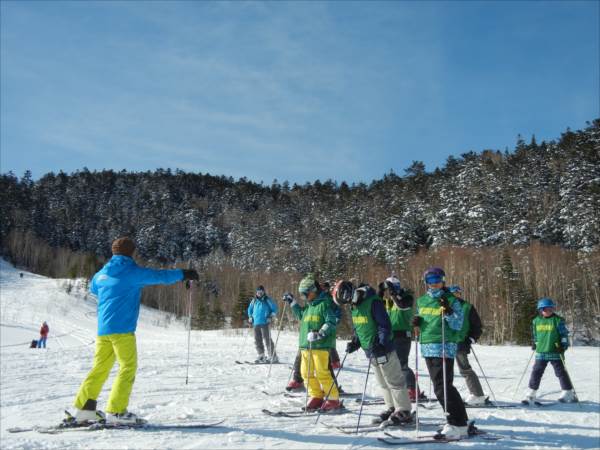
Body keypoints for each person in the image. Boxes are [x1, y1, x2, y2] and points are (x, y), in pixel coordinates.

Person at [71, 237, 199, 425]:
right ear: (131, 253)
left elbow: (95, 289)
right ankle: (116, 411)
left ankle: (84, 409)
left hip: (103, 330)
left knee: (100, 368)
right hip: (122, 330)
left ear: (113, 252)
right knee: (127, 367)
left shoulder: (101, 274)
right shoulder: (132, 272)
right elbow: (159, 276)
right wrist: (184, 274)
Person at [343, 282, 413, 426]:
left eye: (348, 299)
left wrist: (381, 343)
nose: (348, 302)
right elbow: (360, 327)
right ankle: (392, 407)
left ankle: (404, 410)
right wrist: (356, 342)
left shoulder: (373, 302)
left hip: (383, 348)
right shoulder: (355, 306)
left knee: (394, 380)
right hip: (370, 350)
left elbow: (384, 325)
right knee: (383, 382)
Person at [412, 267, 468, 439]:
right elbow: (423, 319)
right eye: (430, 281)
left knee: (442, 387)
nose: (434, 284)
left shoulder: (451, 299)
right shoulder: (422, 301)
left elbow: (458, 325)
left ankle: (457, 423)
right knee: (442, 386)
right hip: (427, 345)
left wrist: (449, 313)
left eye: (437, 280)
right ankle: (459, 421)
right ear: (426, 283)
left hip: (444, 345)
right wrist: (417, 322)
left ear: (443, 280)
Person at [283, 274, 341, 411]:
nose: (304, 297)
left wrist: (320, 333)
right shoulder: (309, 306)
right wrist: (293, 303)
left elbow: (331, 321)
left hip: (320, 346)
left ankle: (333, 399)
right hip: (305, 345)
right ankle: (316, 396)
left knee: (322, 373)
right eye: (302, 295)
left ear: (313, 291)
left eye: (305, 294)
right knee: (305, 373)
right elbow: (301, 316)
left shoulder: (325, 303)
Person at [523, 298, 577, 404]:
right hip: (541, 352)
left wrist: (563, 345)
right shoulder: (536, 321)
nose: (549, 311)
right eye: (546, 309)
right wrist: (535, 342)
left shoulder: (558, 320)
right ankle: (531, 391)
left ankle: (568, 391)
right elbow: (535, 335)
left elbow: (564, 335)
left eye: (551, 309)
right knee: (536, 372)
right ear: (541, 309)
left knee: (560, 372)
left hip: (555, 351)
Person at [378, 275, 423, 402]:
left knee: (402, 364)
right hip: (391, 335)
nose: (388, 291)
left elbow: (402, 305)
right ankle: (401, 389)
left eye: (390, 287)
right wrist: (380, 292)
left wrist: (393, 293)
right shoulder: (390, 300)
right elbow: (377, 305)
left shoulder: (406, 297)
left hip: (403, 335)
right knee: (393, 365)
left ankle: (412, 389)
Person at [447, 285, 486, 406]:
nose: (455, 295)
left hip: (460, 341)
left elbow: (477, 326)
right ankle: (447, 395)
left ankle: (477, 394)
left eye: (457, 293)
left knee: (465, 369)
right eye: (453, 293)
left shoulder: (467, 307)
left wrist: (471, 338)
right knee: (444, 370)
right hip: (445, 342)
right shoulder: (444, 307)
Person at [247, 285, 278, 363]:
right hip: (256, 323)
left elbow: (274, 309)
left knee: (267, 339)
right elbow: (249, 309)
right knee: (257, 340)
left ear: (263, 292)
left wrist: (271, 316)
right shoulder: (254, 300)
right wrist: (250, 317)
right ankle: (261, 355)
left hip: (265, 322)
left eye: (261, 292)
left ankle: (273, 356)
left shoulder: (267, 300)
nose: (259, 294)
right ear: (256, 293)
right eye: (258, 292)